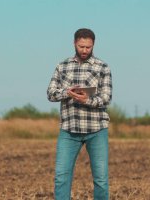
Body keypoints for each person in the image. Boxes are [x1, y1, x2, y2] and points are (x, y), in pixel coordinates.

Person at [47, 28, 112, 200]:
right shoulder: (62, 66)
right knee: (61, 177)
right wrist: (67, 92)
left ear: (93, 45)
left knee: (101, 180)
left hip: (97, 130)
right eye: (81, 46)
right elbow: (50, 94)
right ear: (74, 43)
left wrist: (87, 100)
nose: (84, 51)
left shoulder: (103, 67)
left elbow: (106, 98)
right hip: (69, 130)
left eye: (88, 47)